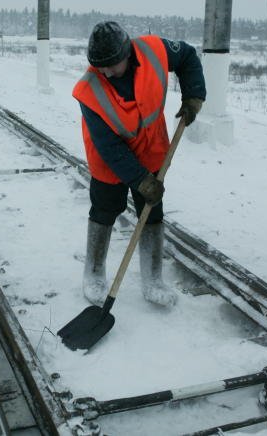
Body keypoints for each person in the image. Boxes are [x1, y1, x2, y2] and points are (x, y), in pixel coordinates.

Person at [72, 21, 206, 307]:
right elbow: (109, 146)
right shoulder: (88, 91)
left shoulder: (153, 51)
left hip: (151, 145)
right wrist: (140, 180)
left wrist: (193, 95)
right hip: (109, 159)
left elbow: (188, 57)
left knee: (152, 209)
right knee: (105, 209)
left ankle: (153, 278)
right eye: (99, 67)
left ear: (127, 54)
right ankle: (94, 273)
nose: (105, 72)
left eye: (111, 65)